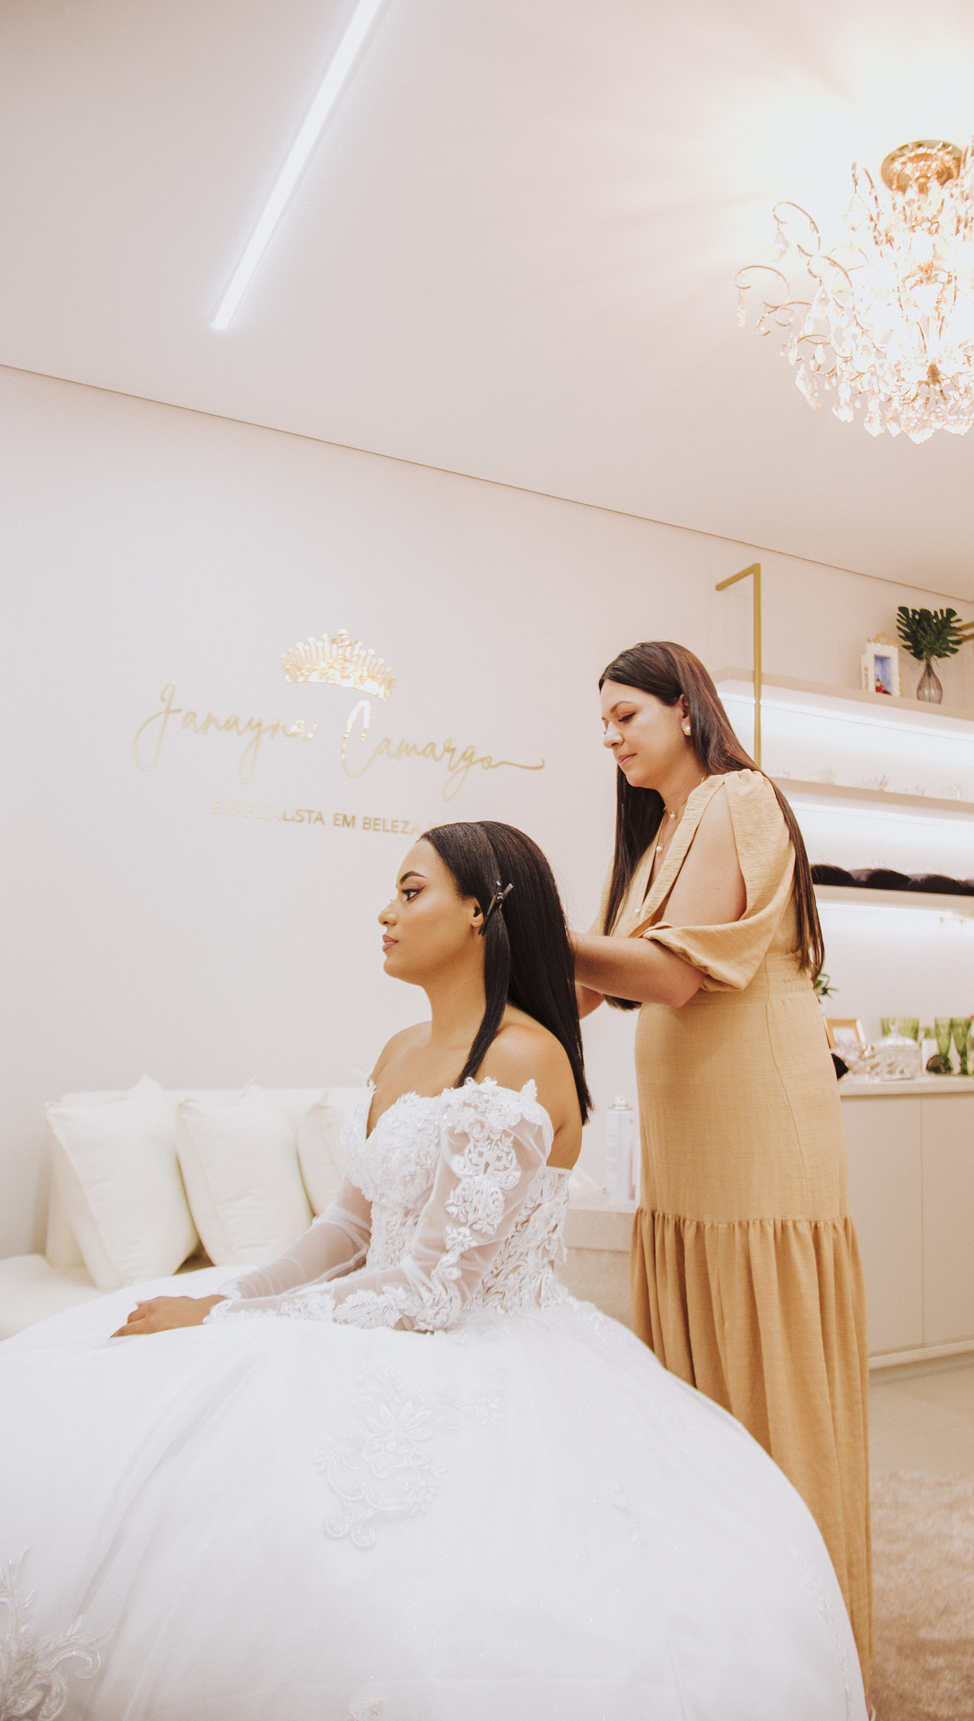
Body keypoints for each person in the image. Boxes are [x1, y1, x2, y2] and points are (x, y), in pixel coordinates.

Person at [0, 821, 866, 1721]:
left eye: (411, 892)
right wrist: (229, 1295)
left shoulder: (521, 1058)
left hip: (474, 1338)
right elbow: (349, 1227)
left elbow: (433, 1289)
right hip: (374, 1315)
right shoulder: (398, 1052)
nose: (386, 912)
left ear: (481, 913)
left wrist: (232, 1324)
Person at [573, 642, 873, 1685]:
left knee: (763, 1378)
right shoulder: (657, 835)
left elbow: (673, 974)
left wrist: (534, 930)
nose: (611, 739)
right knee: (699, 1382)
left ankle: (802, 1646)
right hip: (689, 1150)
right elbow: (594, 986)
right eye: (603, 723)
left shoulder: (738, 798)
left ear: (686, 709)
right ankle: (727, 1636)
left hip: (756, 1138)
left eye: (626, 716)